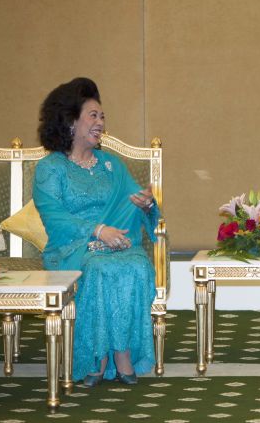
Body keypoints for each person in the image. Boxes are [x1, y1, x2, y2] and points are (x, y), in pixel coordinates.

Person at [33, 77, 159, 387]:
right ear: (70, 121)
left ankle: (123, 354)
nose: (101, 122)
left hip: (116, 244)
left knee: (137, 264)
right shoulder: (51, 168)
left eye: (102, 116)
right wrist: (97, 230)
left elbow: (136, 202)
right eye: (93, 115)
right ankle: (96, 357)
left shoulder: (111, 164)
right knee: (100, 268)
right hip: (72, 248)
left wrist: (146, 205)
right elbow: (55, 218)